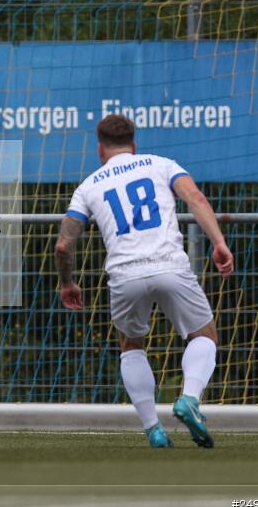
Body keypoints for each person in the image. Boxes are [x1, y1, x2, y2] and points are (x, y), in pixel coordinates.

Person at [55, 114, 234, 449]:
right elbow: (195, 198)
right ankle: (189, 399)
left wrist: (67, 283)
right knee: (204, 335)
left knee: (131, 345)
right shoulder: (161, 165)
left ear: (100, 149)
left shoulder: (88, 186)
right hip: (170, 266)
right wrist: (219, 242)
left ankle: (154, 429)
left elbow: (64, 244)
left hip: (125, 275)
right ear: (134, 145)